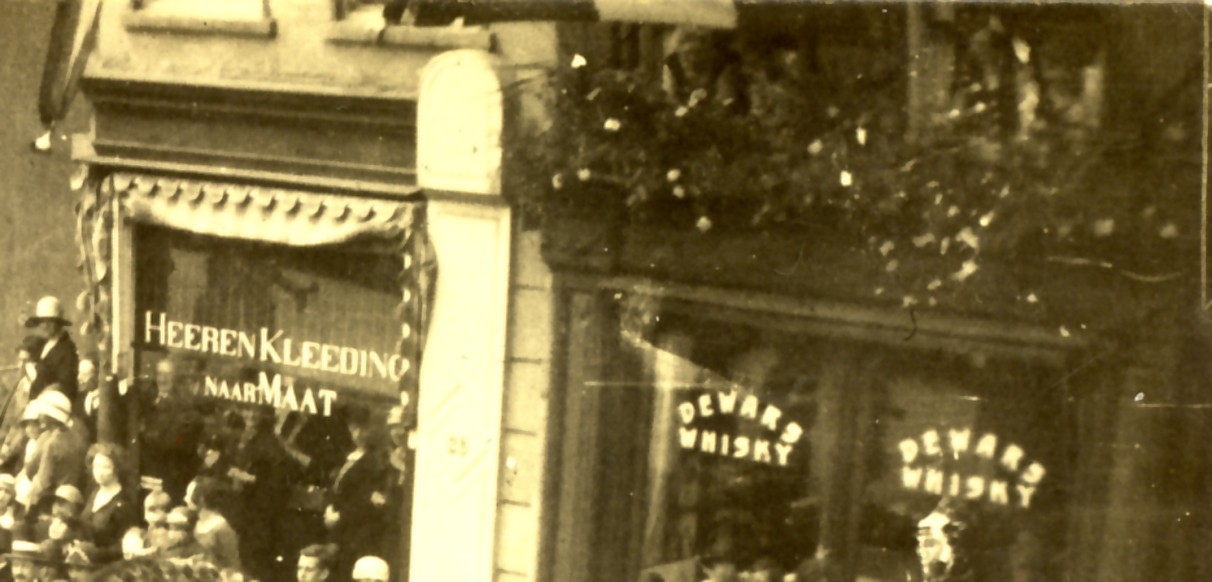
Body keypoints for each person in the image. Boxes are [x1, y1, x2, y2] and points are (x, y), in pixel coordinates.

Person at [324, 407, 389, 582]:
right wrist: (329, 508)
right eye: (354, 429)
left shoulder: (375, 461)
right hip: (340, 528)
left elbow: (366, 498)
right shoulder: (349, 457)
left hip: (357, 531)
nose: (358, 434)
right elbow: (337, 488)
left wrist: (340, 515)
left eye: (363, 428)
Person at [230, 408, 290, 582]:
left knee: (256, 549)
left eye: (252, 417)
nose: (247, 419)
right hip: (253, 503)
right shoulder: (257, 440)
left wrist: (248, 477)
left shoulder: (269, 444)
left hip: (262, 505)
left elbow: (276, 478)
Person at [138, 358, 204, 503]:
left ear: (174, 377)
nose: (163, 379)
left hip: (168, 472)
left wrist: (146, 433)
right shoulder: (146, 400)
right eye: (160, 374)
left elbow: (174, 442)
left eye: (167, 374)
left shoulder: (184, 405)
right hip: (145, 469)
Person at [26, 392, 84, 522]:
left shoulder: (51, 442)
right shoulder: (77, 438)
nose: (39, 416)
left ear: (49, 416)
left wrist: (30, 503)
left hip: (51, 504)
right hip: (73, 500)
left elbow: (43, 482)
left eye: (42, 413)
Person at [79, 444, 137, 565]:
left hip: (107, 567)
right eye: (96, 466)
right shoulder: (93, 493)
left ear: (117, 468)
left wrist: (95, 553)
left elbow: (124, 547)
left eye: (106, 467)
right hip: (83, 562)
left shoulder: (123, 503)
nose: (99, 472)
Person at [0, 337, 45, 474]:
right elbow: (11, 418)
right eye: (21, 360)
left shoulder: (41, 387)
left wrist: (6, 452)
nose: (21, 365)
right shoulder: (21, 382)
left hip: (24, 449)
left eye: (26, 361)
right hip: (9, 440)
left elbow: (24, 427)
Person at [24, 297, 78, 404]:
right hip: (37, 402)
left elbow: (66, 384)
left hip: (54, 403)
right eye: (42, 321)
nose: (44, 326)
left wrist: (41, 397)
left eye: (49, 321)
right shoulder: (45, 344)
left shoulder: (67, 349)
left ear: (59, 323)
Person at [186, 477, 241, 572]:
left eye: (189, 495)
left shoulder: (221, 527)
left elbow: (233, 563)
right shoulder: (196, 522)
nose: (185, 499)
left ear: (202, 499)